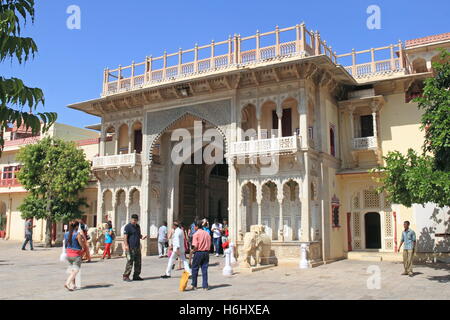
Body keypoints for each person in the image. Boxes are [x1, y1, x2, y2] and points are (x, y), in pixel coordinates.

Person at [123, 214, 147, 282]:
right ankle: (126, 276)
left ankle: (136, 275)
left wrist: (142, 237)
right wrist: (126, 245)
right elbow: (125, 237)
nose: (134, 221)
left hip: (137, 247)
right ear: (131, 219)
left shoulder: (138, 226)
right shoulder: (128, 227)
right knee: (130, 261)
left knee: (138, 262)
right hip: (130, 247)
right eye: (133, 220)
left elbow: (138, 235)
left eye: (136, 220)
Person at [189, 221, 212, 291]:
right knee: (204, 269)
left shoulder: (196, 234)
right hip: (206, 253)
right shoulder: (207, 233)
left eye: (194, 227)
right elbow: (210, 244)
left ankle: (194, 284)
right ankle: (205, 286)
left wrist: (191, 253)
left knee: (195, 268)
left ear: (196, 226)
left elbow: (195, 246)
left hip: (198, 252)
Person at [64, 221, 85, 291]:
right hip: (76, 254)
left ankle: (73, 285)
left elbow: (66, 243)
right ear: (76, 227)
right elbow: (81, 244)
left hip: (68, 254)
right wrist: (83, 237)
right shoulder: (77, 234)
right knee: (76, 271)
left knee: (72, 270)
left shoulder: (66, 233)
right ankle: (67, 283)